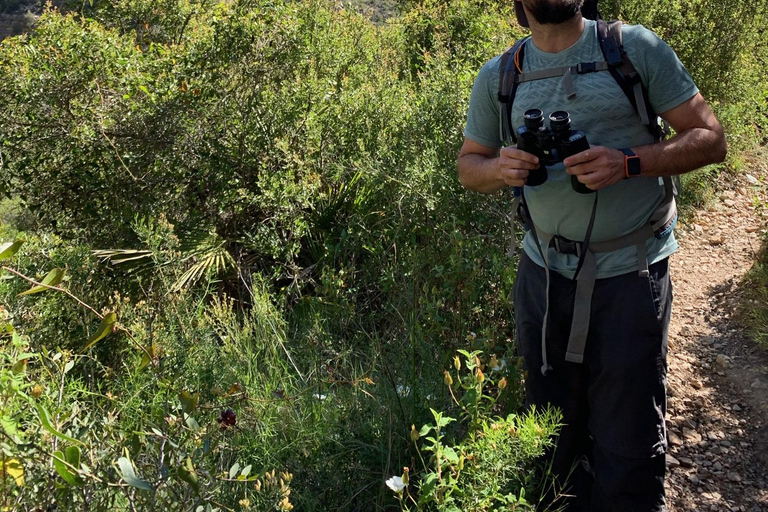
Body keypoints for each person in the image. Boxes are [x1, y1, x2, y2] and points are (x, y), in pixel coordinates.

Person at [457, 0, 727, 510]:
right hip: (542, 274)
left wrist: (628, 162)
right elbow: (469, 164)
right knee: (548, 428)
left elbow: (710, 139)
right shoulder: (501, 74)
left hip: (630, 271)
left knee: (627, 431)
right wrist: (501, 169)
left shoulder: (633, 49)